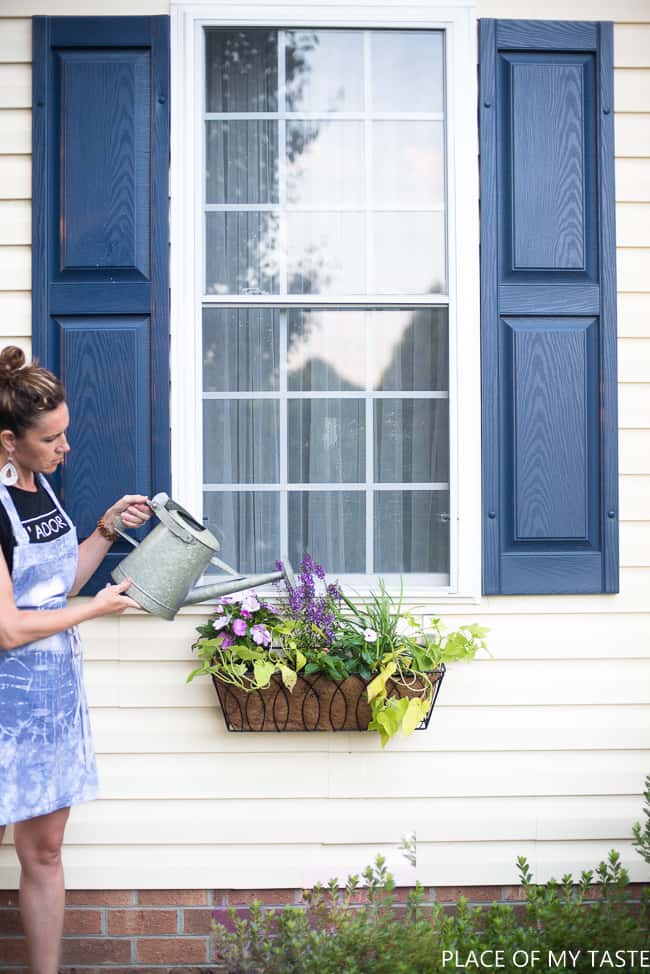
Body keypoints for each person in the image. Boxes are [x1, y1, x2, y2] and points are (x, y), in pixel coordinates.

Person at [0, 345, 150, 974]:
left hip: (53, 703)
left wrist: (106, 531)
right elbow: (8, 629)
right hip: (7, 702)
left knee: (45, 854)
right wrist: (97, 611)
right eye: (50, 438)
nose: (64, 449)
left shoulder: (42, 491)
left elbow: (56, 588)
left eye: (66, 433)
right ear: (9, 440)